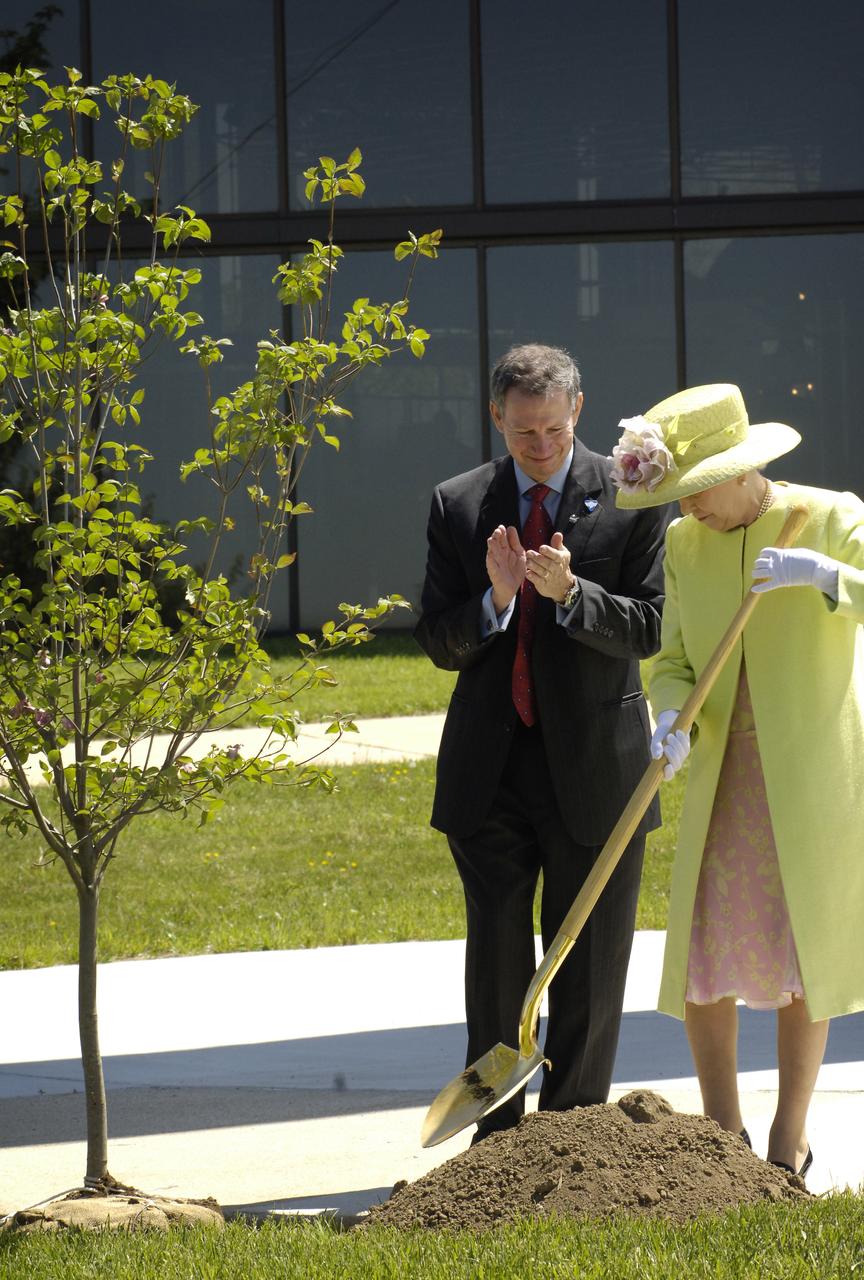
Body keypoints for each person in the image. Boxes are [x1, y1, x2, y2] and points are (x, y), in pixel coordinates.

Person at [415, 344, 671, 1141]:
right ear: (497, 417)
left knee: (590, 959)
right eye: (524, 431)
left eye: (555, 430)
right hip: (490, 771)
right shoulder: (459, 504)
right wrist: (492, 600)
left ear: (580, 411)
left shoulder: (632, 499)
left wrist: (572, 593)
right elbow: (436, 640)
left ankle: (574, 1137)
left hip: (596, 768)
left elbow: (650, 626)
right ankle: (498, 1144)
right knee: (496, 957)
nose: (540, 445)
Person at [612, 381, 864, 1180]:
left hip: (811, 775)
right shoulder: (686, 546)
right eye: (675, 498)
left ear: (742, 468)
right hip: (727, 773)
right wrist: (669, 715)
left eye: (695, 493)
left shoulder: (826, 516)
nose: (687, 511)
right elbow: (677, 659)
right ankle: (724, 1142)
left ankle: (790, 1140)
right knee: (702, 957)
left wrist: (825, 576)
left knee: (802, 960)